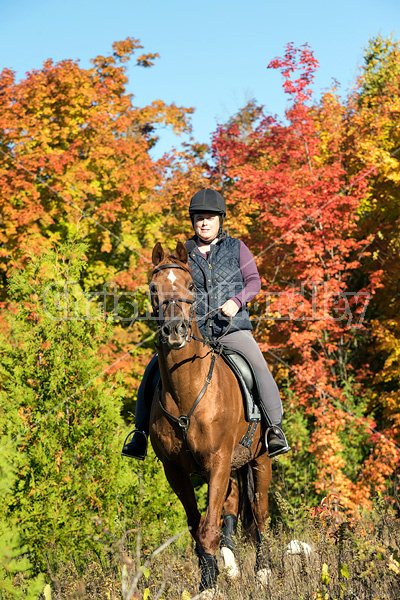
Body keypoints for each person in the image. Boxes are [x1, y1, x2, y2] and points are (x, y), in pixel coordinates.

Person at [122, 188, 290, 460]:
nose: (204, 222)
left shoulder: (236, 247)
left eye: (210, 218)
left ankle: (274, 429)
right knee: (152, 370)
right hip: (193, 334)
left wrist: (236, 302)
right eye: (200, 218)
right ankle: (140, 435)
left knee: (258, 366)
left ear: (220, 220)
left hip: (231, 330)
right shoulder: (184, 253)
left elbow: (254, 282)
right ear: (193, 221)